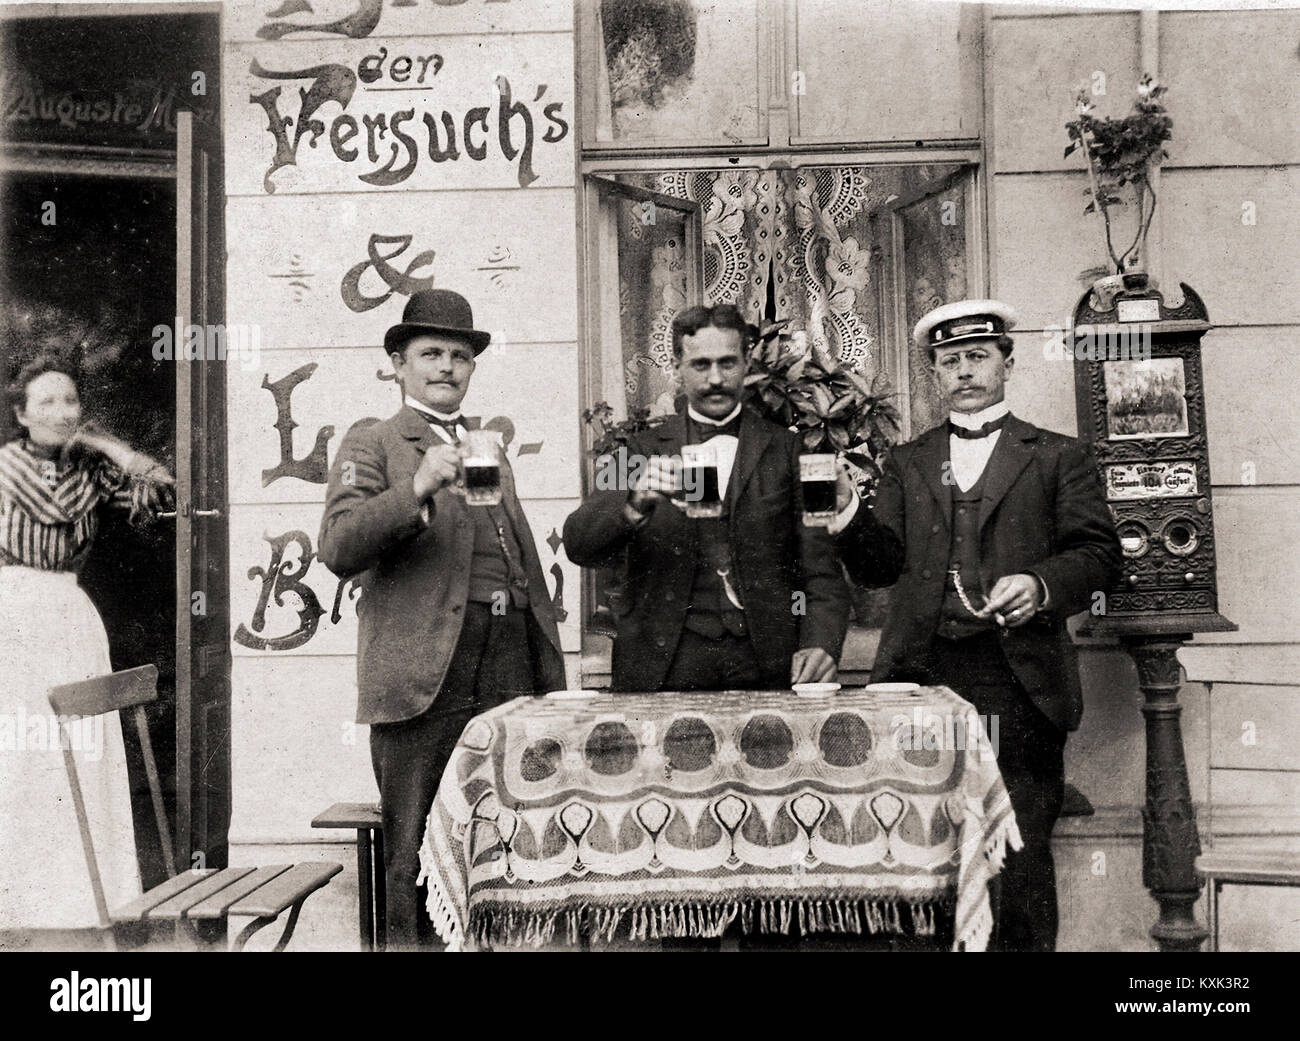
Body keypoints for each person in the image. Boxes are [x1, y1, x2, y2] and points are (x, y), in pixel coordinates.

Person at [830, 299, 1122, 951]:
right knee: (920, 859)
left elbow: (1101, 555)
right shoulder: (907, 462)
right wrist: (850, 515)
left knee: (1018, 864)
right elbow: (882, 569)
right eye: (950, 360)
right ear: (935, 374)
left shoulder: (1056, 456)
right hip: (923, 679)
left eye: (977, 357)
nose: (964, 371)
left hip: (1020, 684)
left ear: (1007, 363)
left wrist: (1041, 584)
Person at [318, 288, 564, 950]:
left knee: (509, 846)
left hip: (507, 661)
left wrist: (547, 669)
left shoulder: (487, 447)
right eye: (430, 353)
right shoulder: (373, 441)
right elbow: (338, 546)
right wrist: (417, 487)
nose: (447, 366)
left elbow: (519, 563)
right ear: (398, 363)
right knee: (418, 854)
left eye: (460, 354)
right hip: (425, 674)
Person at [563, 303, 850, 695]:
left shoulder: (789, 450)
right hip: (663, 667)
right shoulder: (638, 451)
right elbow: (580, 544)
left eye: (728, 363)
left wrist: (820, 643)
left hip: (767, 665)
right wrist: (632, 505)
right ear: (677, 367)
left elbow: (822, 571)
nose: (716, 378)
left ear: (748, 363)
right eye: (701, 365)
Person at [0, 355, 173, 943]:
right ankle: (23, 902)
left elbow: (158, 487)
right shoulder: (4, 469)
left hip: (73, 617)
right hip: (15, 615)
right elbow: (46, 513)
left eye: (70, 401)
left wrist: (104, 445)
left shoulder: (88, 471)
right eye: (44, 402)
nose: (60, 413)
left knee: (83, 752)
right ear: (21, 414)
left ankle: (86, 894)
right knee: (27, 756)